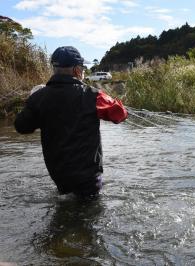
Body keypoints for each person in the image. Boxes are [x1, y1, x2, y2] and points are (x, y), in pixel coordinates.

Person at [14, 46, 128, 198]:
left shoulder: (38, 98)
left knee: (64, 209)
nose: (83, 71)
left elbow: (21, 126)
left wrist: (31, 100)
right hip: (87, 178)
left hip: (59, 176)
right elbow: (120, 115)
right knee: (89, 215)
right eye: (82, 68)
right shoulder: (93, 96)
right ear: (76, 70)